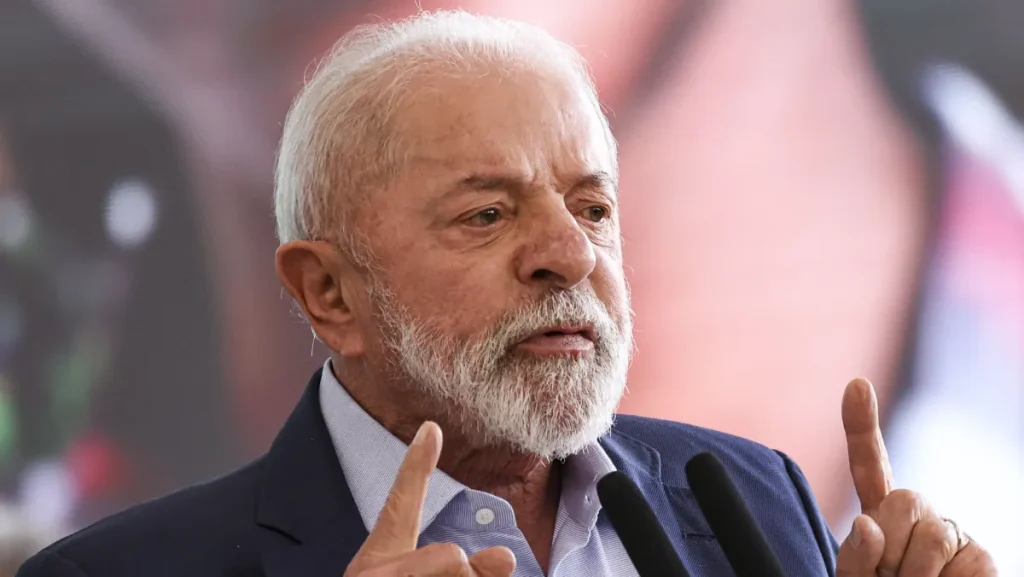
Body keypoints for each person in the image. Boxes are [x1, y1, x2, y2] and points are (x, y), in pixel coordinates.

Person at [17, 10, 996, 577]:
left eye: (593, 208)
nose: (568, 253)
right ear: (326, 291)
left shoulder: (758, 496)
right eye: (484, 214)